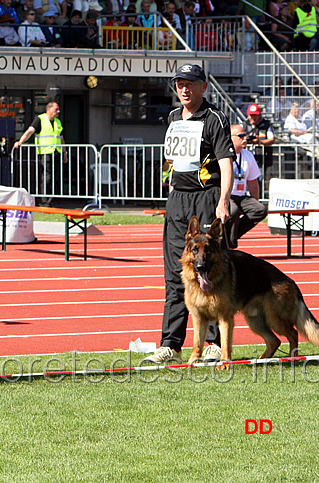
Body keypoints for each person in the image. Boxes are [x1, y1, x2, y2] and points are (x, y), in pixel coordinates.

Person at [143, 64, 235, 365]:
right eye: (180, 84)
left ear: (203, 87)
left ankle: (214, 343)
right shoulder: (172, 117)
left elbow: (225, 163)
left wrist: (223, 200)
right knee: (175, 273)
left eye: (190, 84)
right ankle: (170, 343)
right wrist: (170, 189)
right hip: (178, 202)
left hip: (206, 198)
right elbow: (174, 160)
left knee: (209, 270)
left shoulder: (215, 118)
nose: (184, 89)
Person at [14, 101, 68, 207]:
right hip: (45, 152)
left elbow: (61, 139)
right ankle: (44, 202)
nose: (58, 111)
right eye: (56, 109)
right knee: (47, 178)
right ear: (49, 109)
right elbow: (30, 131)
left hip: (56, 152)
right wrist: (20, 142)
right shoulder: (40, 119)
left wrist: (64, 153)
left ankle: (51, 200)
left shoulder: (58, 121)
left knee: (54, 178)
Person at [225, 124, 267, 249]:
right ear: (230, 137)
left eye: (246, 136)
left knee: (260, 210)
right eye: (241, 136)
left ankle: (232, 236)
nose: (245, 139)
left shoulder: (248, 155)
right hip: (227, 194)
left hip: (241, 195)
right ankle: (230, 245)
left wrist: (255, 200)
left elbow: (252, 181)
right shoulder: (224, 153)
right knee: (233, 211)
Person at [243, 103, 274, 172]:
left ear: (259, 115)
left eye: (255, 115)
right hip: (247, 157)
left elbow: (272, 139)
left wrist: (259, 142)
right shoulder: (244, 124)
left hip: (262, 157)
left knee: (260, 177)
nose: (253, 117)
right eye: (251, 115)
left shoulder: (266, 124)